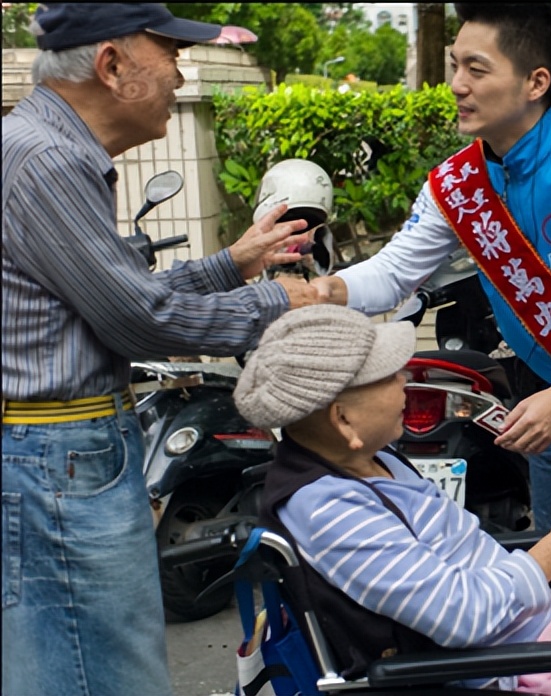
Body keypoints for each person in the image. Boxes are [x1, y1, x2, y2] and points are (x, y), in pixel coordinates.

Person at [312, 3, 551, 604]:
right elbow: (395, 272)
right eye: (455, 65)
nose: (457, 84)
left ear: (536, 81)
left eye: (477, 69)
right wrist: (322, 291)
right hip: (548, 407)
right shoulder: (455, 184)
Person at [1, 5, 321, 695]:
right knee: (105, 673)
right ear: (113, 66)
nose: (182, 72)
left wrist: (234, 264)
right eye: (171, 52)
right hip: (61, 458)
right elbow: (140, 319)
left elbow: (110, 296)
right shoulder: (49, 161)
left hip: (57, 453)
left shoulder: (41, 147)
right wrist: (281, 301)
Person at [232, 304, 551, 696]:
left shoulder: (377, 462)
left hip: (525, 636)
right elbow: (463, 617)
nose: (405, 383)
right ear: (343, 420)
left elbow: (469, 560)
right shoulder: (329, 509)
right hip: (489, 670)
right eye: (389, 378)